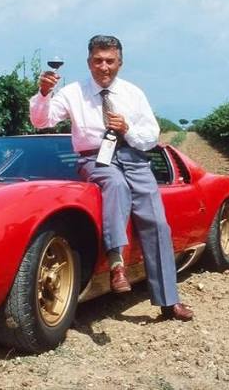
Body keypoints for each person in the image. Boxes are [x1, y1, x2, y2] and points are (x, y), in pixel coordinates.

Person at [29, 35, 193, 321]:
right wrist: (44, 94)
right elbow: (41, 121)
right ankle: (117, 265)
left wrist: (127, 129)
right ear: (88, 62)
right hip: (95, 158)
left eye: (110, 61)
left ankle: (169, 302)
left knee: (157, 223)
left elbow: (151, 136)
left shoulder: (133, 93)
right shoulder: (72, 92)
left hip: (134, 158)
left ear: (120, 63)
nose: (103, 67)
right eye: (98, 61)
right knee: (115, 184)